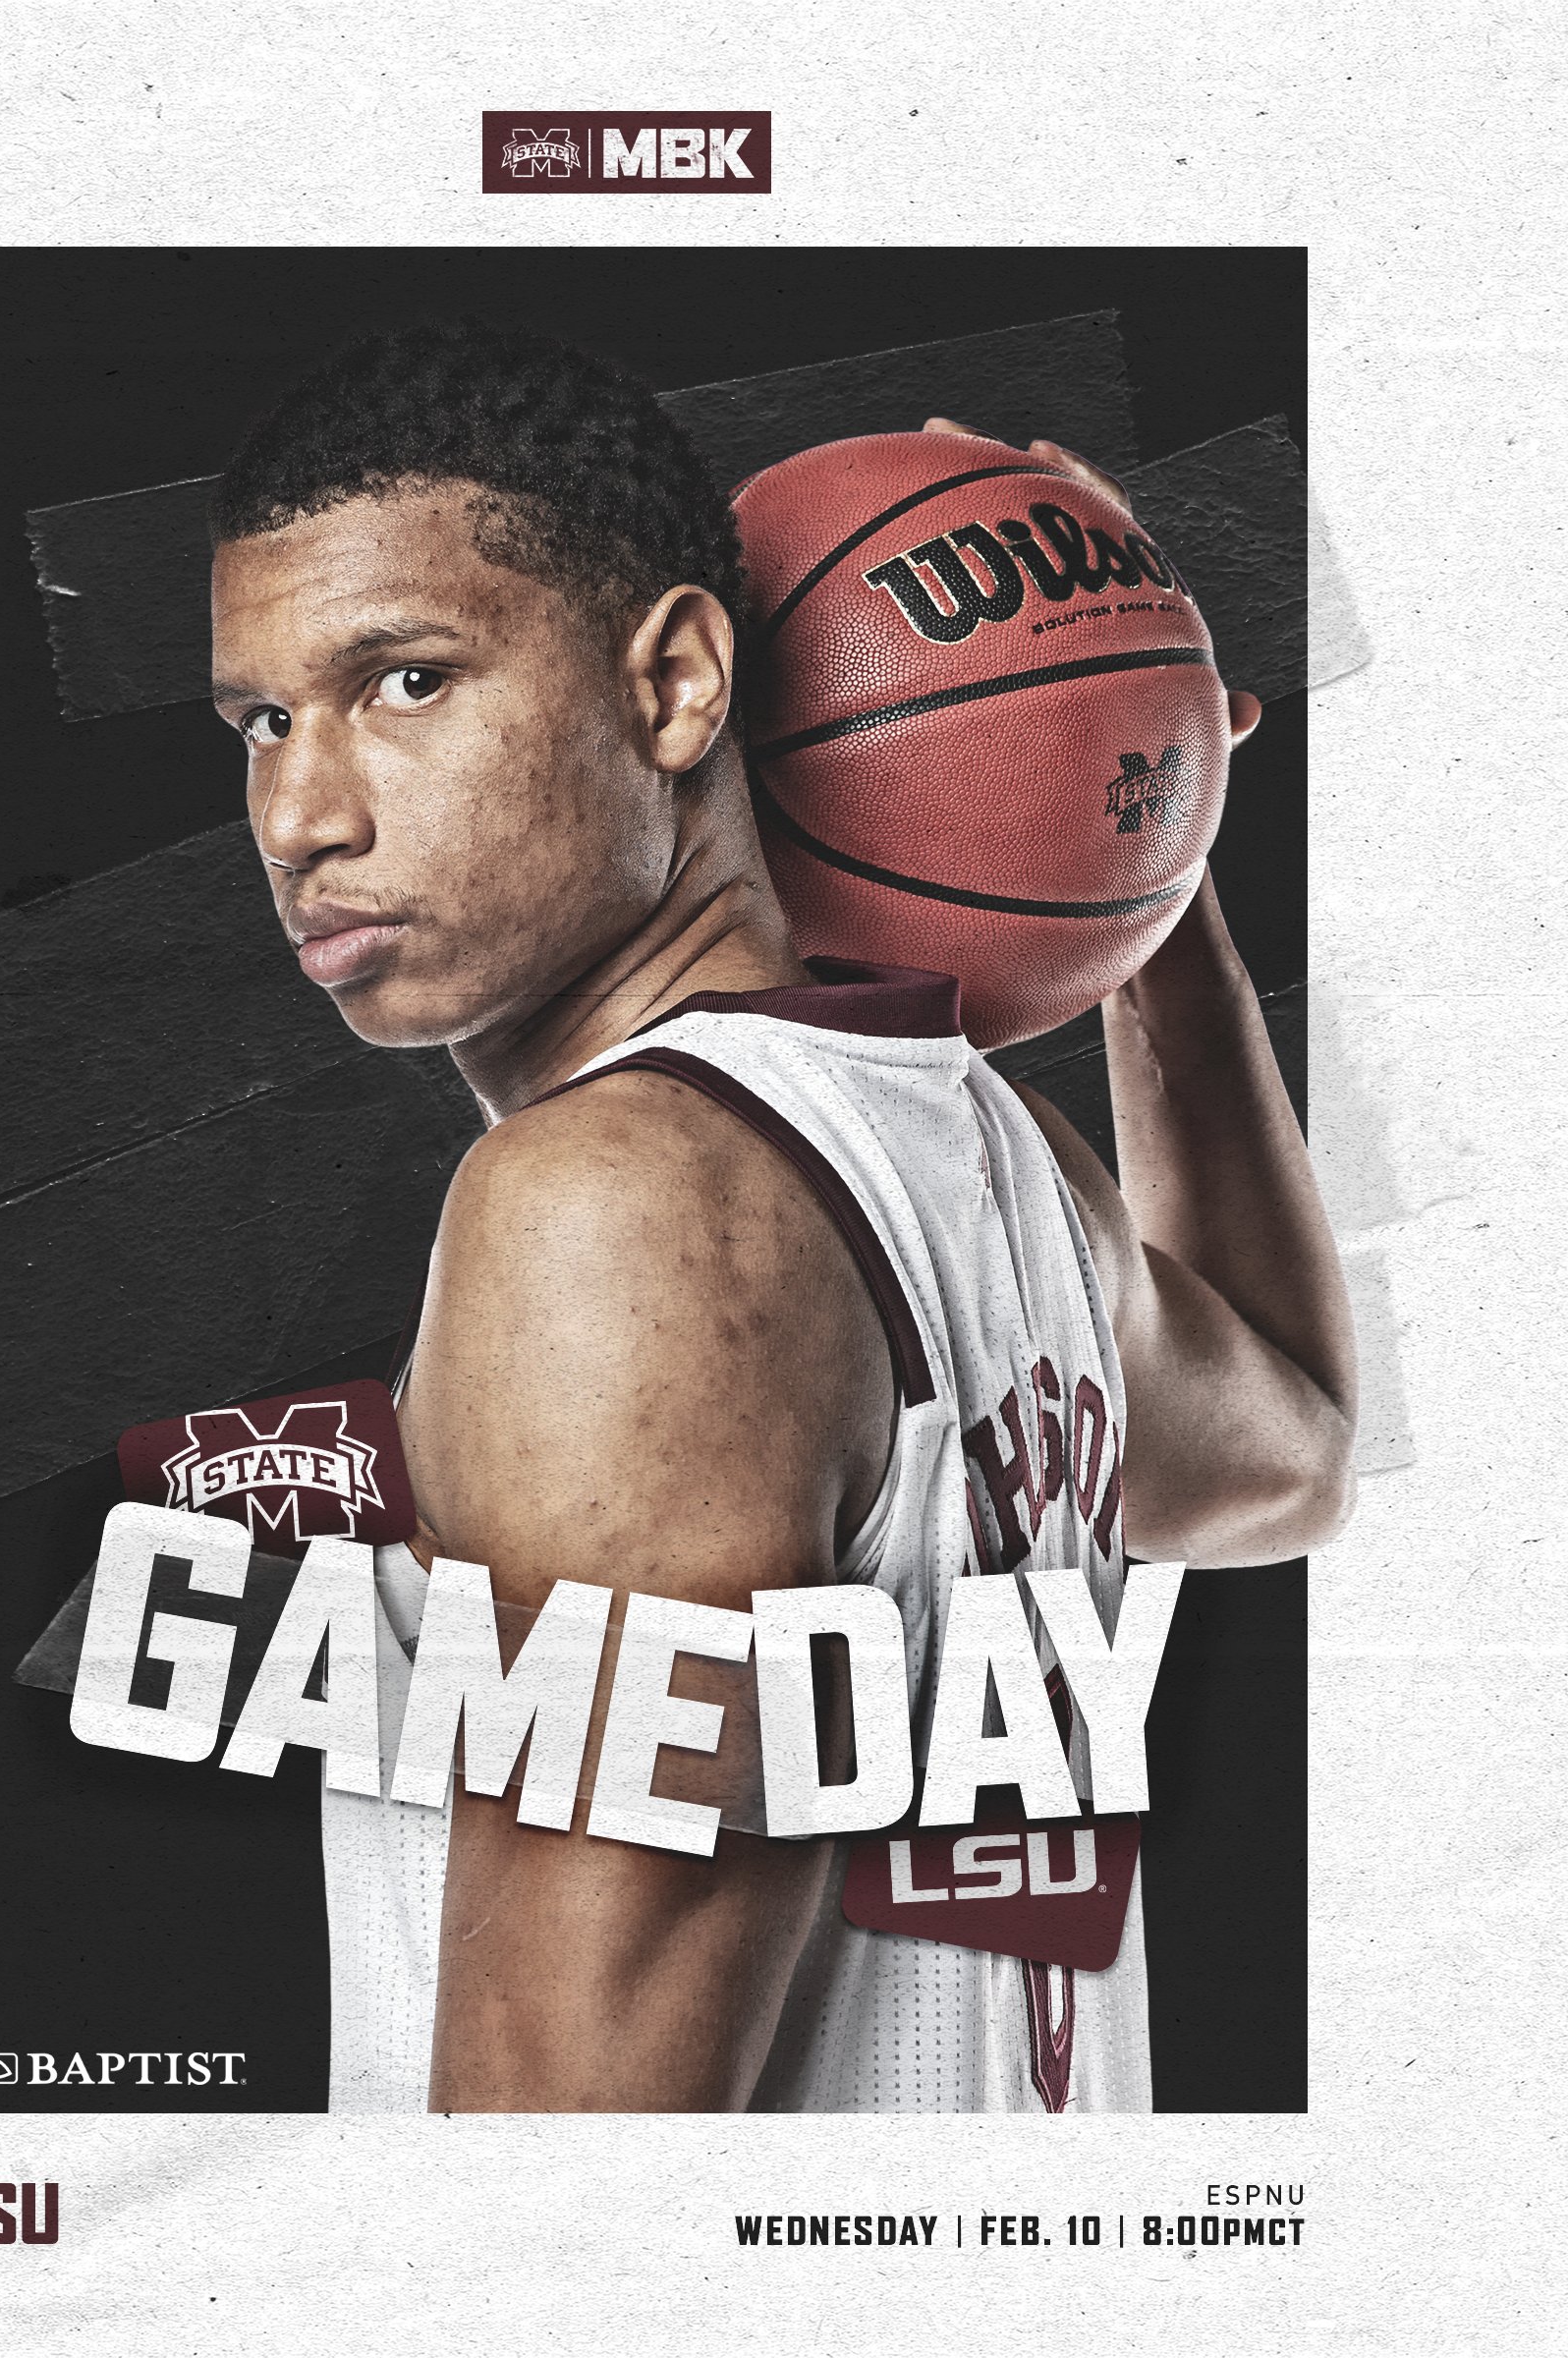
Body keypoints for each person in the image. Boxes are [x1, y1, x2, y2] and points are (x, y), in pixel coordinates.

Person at [206, 324, 1355, 2113]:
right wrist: (1154, 836)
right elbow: (1291, 1442)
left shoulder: (616, 1206)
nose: (296, 810)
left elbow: (576, 2174)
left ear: (675, 687)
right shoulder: (978, 1148)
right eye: (267, 720)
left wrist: (1140, 819)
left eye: (408, 683)